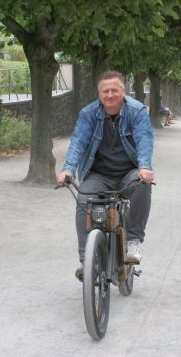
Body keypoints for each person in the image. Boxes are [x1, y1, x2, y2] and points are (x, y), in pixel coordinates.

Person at [57, 71, 155, 281]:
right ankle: (87, 261)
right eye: (105, 91)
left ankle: (133, 241)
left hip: (129, 173)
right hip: (99, 175)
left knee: (142, 186)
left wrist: (145, 167)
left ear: (123, 91)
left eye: (114, 90)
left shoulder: (136, 111)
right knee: (83, 198)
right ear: (99, 93)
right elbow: (78, 143)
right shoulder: (88, 114)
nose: (110, 95)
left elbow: (144, 140)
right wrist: (67, 170)